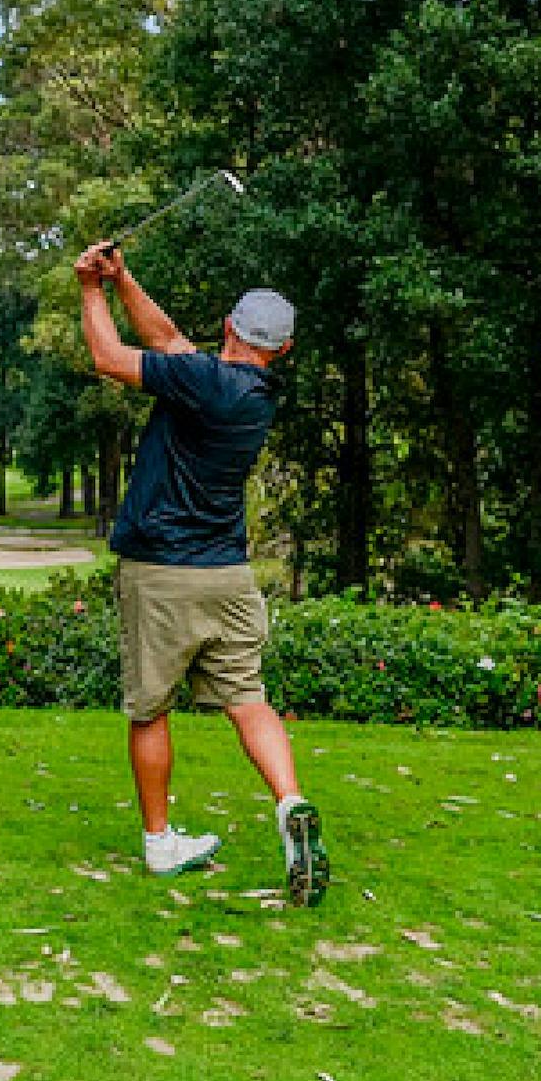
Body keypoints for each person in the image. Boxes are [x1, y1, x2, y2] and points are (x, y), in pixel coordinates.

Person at [76, 241, 328, 906]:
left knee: (149, 707)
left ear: (229, 328)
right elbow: (167, 339)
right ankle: (290, 803)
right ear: (284, 349)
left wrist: (90, 289)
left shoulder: (205, 382)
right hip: (228, 578)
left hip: (162, 575)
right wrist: (126, 277)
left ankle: (161, 842)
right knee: (248, 699)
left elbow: (109, 358)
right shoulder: (251, 392)